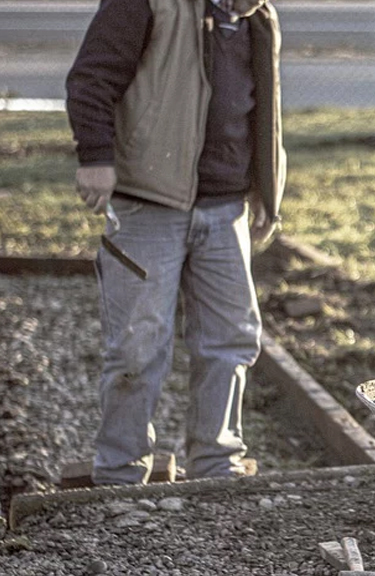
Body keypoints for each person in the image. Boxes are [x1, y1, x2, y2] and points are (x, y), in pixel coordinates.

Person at [65, 0, 286, 485]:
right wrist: (95, 157)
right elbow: (91, 80)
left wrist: (267, 188)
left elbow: (262, 108)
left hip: (226, 209)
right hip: (147, 203)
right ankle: (120, 475)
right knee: (136, 348)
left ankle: (216, 467)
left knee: (230, 341)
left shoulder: (258, 17)